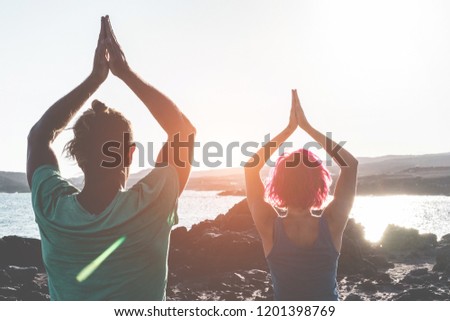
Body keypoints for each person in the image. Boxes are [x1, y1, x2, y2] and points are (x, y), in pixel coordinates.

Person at [26, 16, 196, 300]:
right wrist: (125, 72)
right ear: (130, 154)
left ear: (78, 157)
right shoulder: (153, 202)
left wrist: (94, 79)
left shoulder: (51, 208)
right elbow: (183, 131)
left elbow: (39, 137)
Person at [244, 90, 358, 300]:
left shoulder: (269, 225)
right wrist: (307, 128)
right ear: (320, 184)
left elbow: (251, 168)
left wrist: (289, 130)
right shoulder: (332, 223)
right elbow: (350, 166)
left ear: (277, 185)